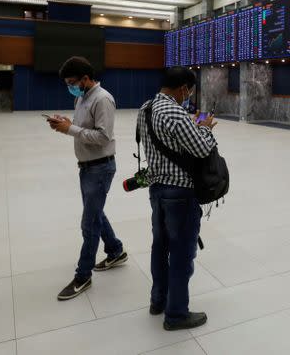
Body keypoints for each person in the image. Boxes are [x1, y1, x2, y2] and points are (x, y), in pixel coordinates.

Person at [137, 66, 217, 331]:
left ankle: (157, 301)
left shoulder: (145, 108)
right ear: (183, 88)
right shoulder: (174, 111)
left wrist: (190, 129)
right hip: (180, 194)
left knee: (160, 248)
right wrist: (204, 128)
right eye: (189, 91)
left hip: (157, 191)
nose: (189, 96)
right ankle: (177, 314)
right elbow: (202, 148)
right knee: (182, 253)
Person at [48, 56, 127, 301]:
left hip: (100, 168)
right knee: (96, 214)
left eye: (73, 82)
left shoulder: (103, 99)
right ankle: (115, 251)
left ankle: (83, 276)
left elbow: (104, 137)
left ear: (85, 78)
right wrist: (66, 124)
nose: (70, 86)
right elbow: (83, 129)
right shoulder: (81, 97)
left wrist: (70, 129)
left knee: (89, 223)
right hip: (86, 166)